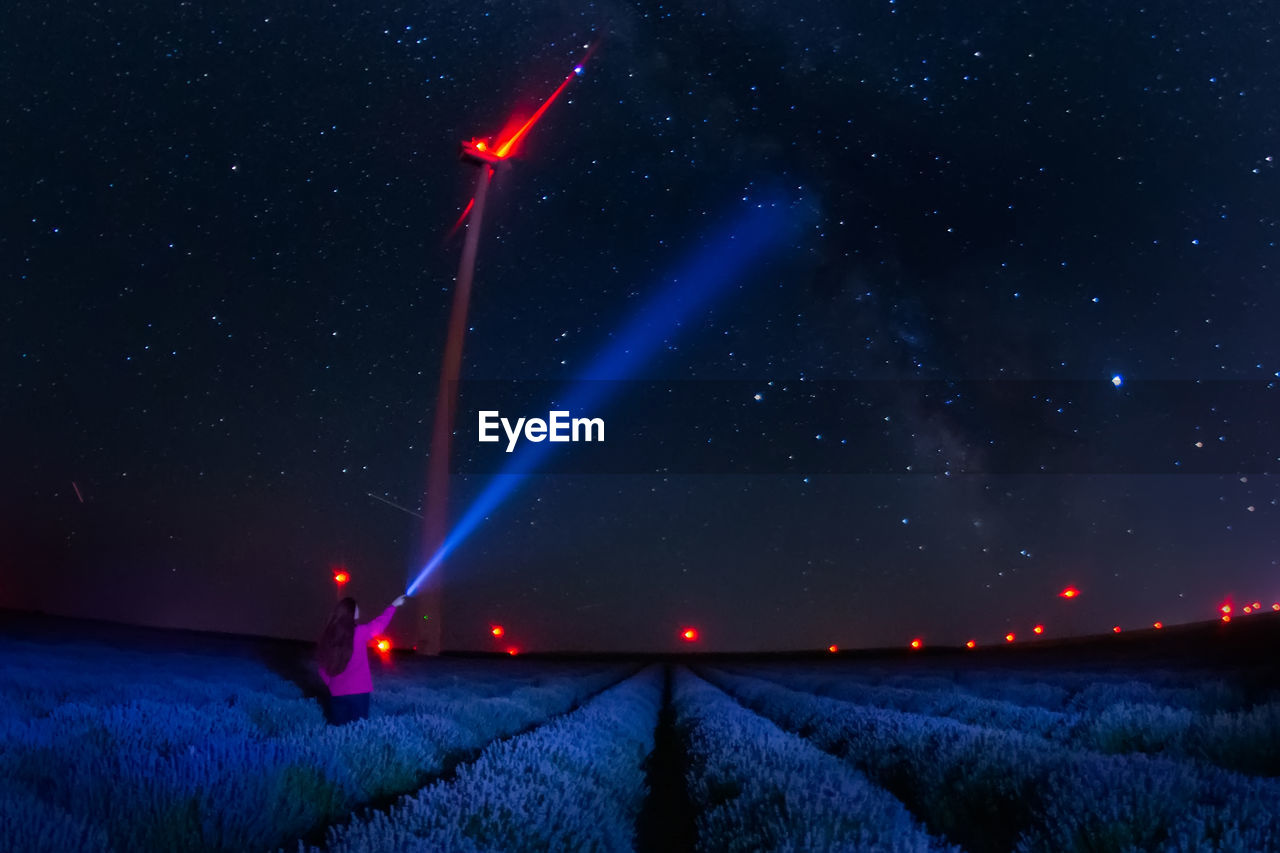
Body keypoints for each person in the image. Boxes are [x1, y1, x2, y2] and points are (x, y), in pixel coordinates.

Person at [316, 594, 406, 724]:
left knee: (338, 733)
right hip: (359, 692)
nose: (359, 610)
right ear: (351, 612)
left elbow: (322, 664)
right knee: (358, 730)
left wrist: (331, 684)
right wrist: (393, 606)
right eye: (357, 608)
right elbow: (379, 624)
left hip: (337, 693)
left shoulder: (330, 635)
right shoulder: (360, 632)